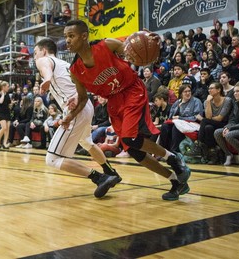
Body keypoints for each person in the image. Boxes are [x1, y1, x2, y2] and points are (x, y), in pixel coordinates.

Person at [64, 20, 190, 201]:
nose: (67, 41)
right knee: (134, 150)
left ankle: (174, 159)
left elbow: (136, 52)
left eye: (71, 36)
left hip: (132, 90)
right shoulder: (75, 70)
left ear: (84, 36)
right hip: (114, 102)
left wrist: (151, 43)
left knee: (130, 138)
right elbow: (83, 98)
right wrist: (69, 116)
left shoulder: (106, 45)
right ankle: (176, 181)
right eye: (65, 37)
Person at [34, 37, 121, 198]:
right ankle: (111, 171)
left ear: (44, 51)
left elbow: (45, 67)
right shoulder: (66, 65)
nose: (35, 57)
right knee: (87, 142)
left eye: (35, 53)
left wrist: (46, 79)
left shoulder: (44, 60)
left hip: (76, 111)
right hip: (85, 105)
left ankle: (100, 178)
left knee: (52, 159)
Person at [187, 82, 233, 164]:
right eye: (209, 88)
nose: (209, 90)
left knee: (204, 121)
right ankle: (213, 154)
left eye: (212, 88)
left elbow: (219, 118)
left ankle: (198, 144)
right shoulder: (206, 102)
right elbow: (208, 117)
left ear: (219, 90)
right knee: (208, 128)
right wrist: (208, 102)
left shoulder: (227, 100)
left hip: (224, 124)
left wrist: (208, 119)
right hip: (211, 124)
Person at [214, 82, 239, 167]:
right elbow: (232, 119)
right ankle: (228, 154)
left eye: (237, 91)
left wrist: (231, 128)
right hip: (237, 127)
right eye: (234, 91)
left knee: (229, 135)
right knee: (217, 132)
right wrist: (227, 127)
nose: (235, 93)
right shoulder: (236, 103)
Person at [0, 81, 11, 149]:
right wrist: (3, 95)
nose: (8, 88)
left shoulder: (8, 94)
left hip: (7, 111)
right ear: (3, 87)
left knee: (7, 128)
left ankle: (5, 143)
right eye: (7, 86)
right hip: (1, 112)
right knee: (4, 127)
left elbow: (9, 103)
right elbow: (0, 102)